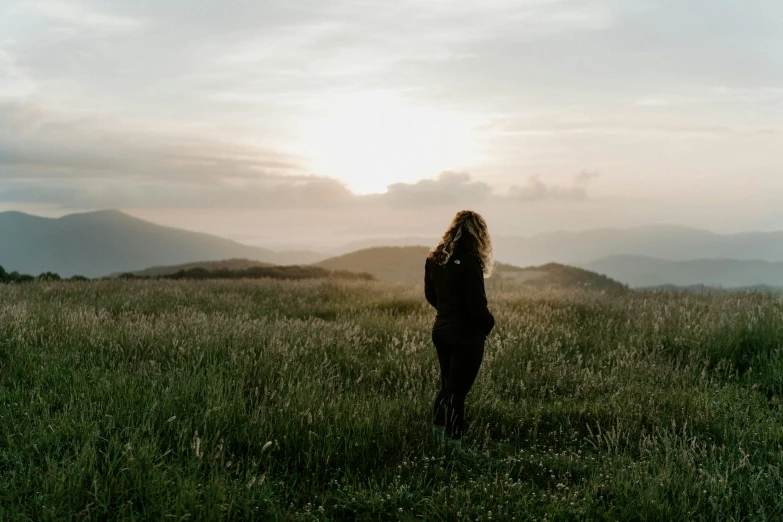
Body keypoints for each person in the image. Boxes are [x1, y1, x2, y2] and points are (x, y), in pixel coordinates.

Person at [424, 210, 495, 449]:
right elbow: (477, 305)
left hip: (442, 330)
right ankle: (454, 448)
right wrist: (488, 324)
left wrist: (447, 312)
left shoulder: (435, 258)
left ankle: (437, 439)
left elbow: (430, 295)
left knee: (446, 387)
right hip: (467, 335)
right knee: (458, 393)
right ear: (478, 233)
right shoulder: (470, 261)